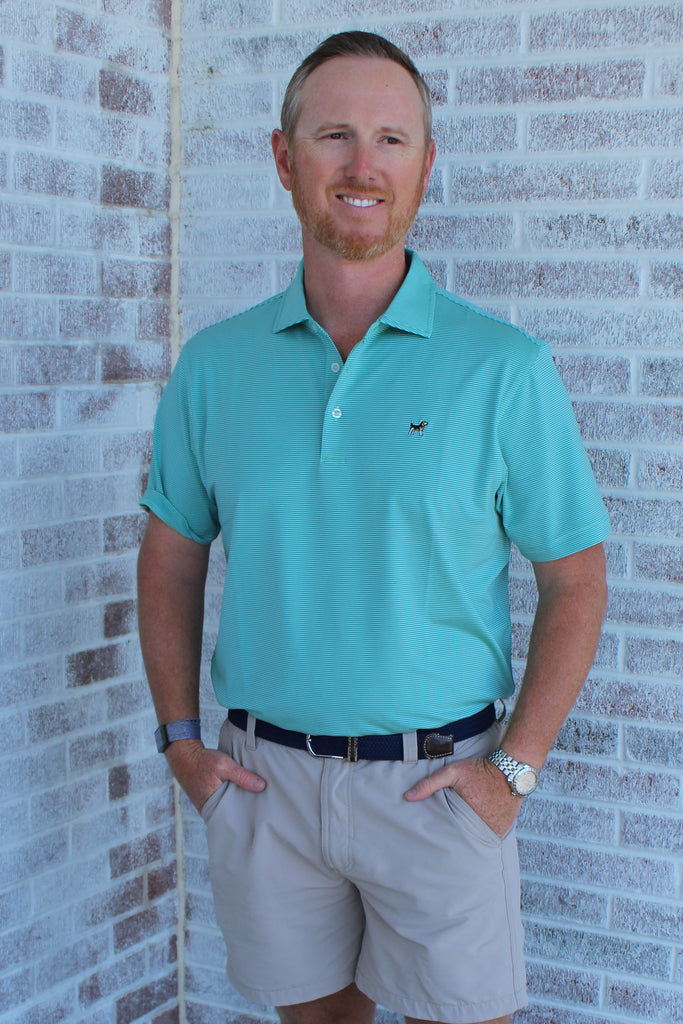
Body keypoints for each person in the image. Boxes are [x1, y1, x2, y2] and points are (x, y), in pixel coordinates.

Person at [137, 30, 610, 1024]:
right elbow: (173, 556)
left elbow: (573, 576)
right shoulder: (214, 365)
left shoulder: (502, 369)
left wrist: (514, 768)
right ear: (283, 158)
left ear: (425, 166)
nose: (363, 165)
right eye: (334, 135)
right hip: (263, 784)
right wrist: (180, 739)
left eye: (391, 139)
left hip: (436, 788)